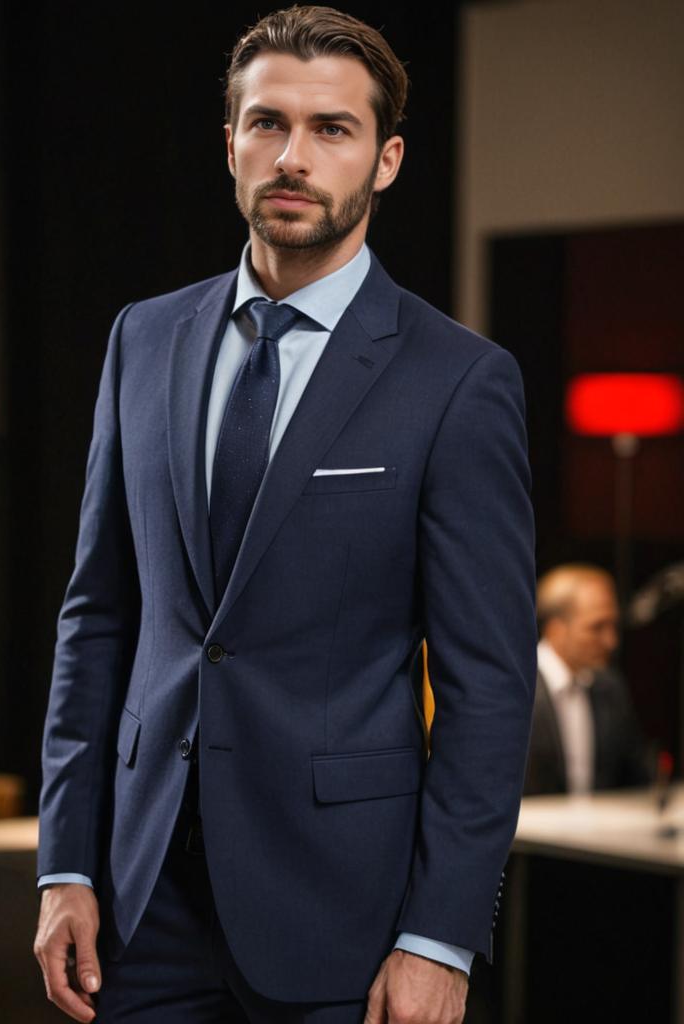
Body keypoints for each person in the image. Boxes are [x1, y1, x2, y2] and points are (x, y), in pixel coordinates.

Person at [33, 6, 537, 1023]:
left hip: (344, 916)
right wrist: (64, 865)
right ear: (230, 143)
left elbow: (488, 687)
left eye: (331, 129)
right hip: (140, 903)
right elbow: (98, 618)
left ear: (386, 159)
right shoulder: (143, 339)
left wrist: (439, 936)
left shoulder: (459, 381)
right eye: (267, 124)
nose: (292, 156)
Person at [524, 564, 652, 796]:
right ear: (556, 629)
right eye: (597, 627)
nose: (611, 642)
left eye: (613, 626)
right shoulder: (520, 689)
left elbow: (634, 775)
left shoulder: (610, 687)